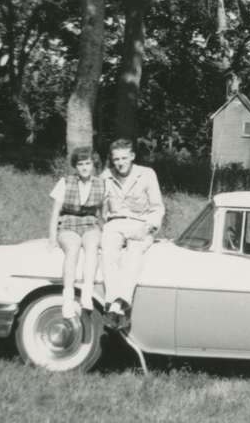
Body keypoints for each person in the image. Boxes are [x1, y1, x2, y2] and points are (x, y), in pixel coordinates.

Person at [100, 139, 165, 328]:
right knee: (108, 253)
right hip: (115, 223)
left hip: (140, 223)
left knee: (133, 255)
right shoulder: (106, 177)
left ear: (132, 157)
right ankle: (117, 305)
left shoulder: (146, 174)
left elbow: (157, 208)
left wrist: (149, 227)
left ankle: (116, 306)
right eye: (116, 159)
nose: (120, 163)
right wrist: (103, 226)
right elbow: (101, 210)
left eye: (124, 158)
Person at [47, 147, 106, 319]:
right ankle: (68, 297)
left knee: (92, 246)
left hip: (90, 223)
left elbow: (103, 214)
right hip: (68, 223)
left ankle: (87, 292)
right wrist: (52, 238)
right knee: (72, 249)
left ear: (93, 164)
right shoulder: (65, 182)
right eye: (80, 164)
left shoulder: (101, 184)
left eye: (88, 163)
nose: (84, 167)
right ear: (76, 166)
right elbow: (55, 213)